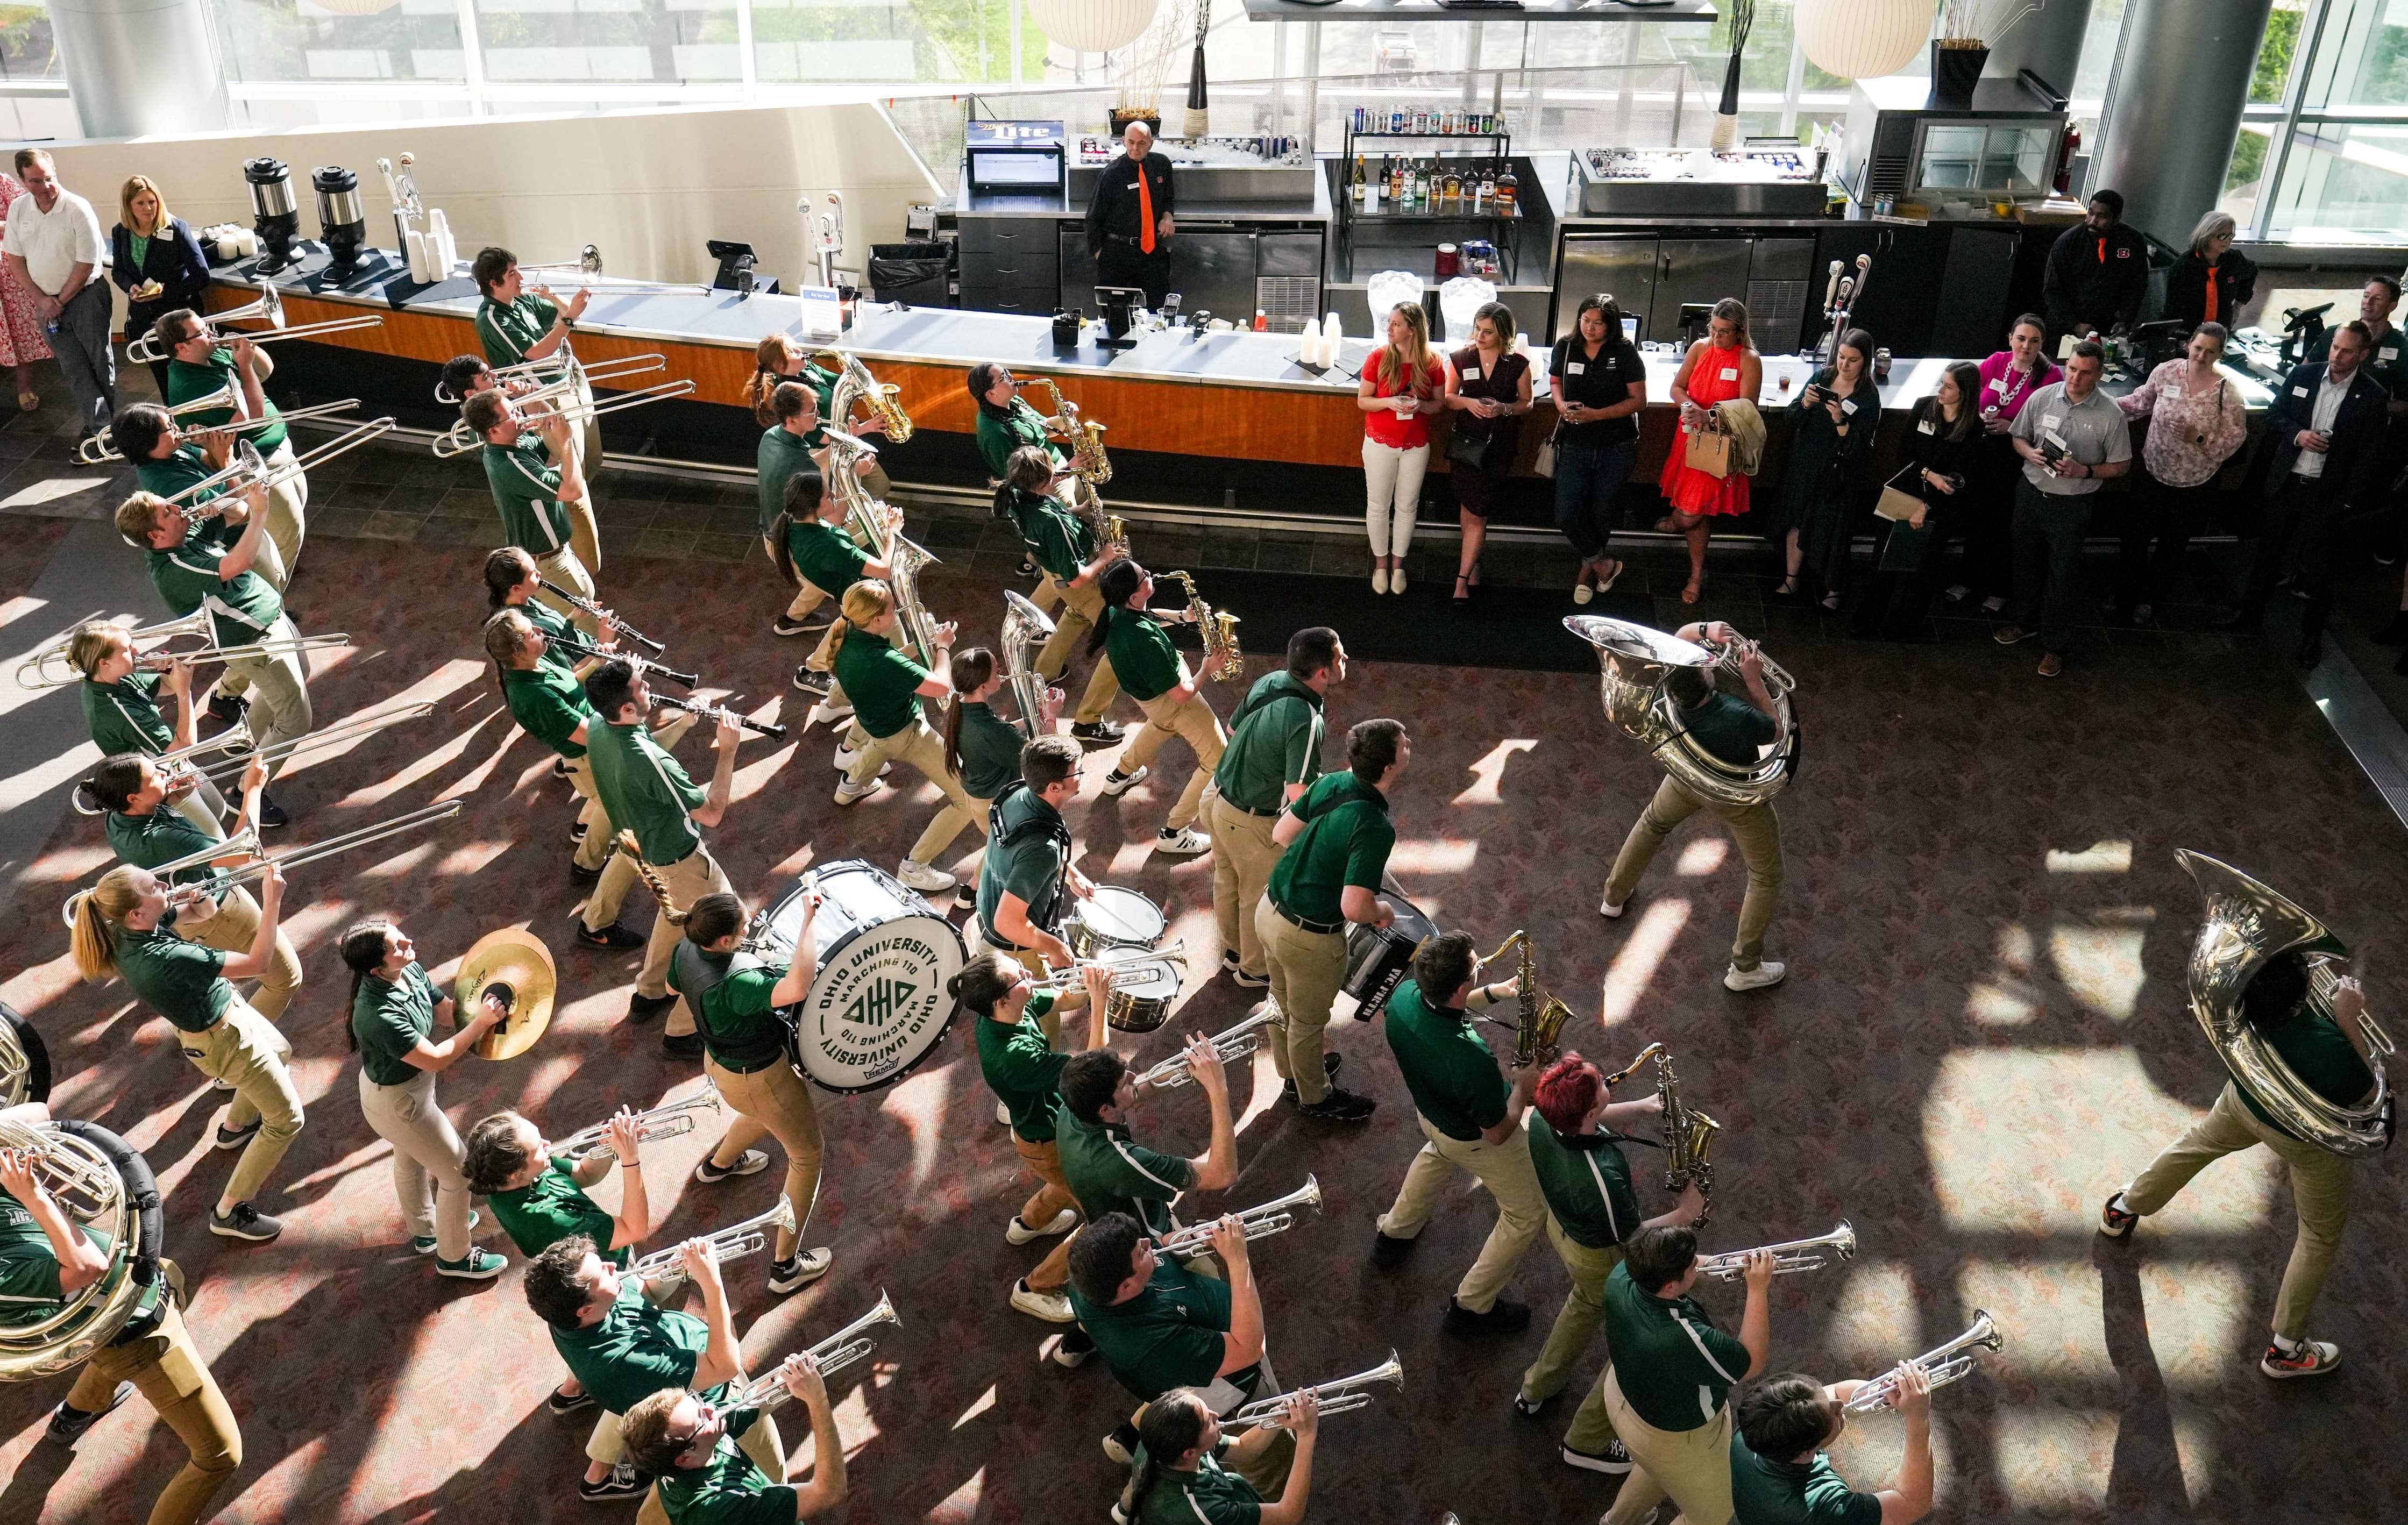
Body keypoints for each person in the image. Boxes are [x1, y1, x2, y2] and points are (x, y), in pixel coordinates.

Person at [2101, 955, 2377, 1377]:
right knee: (2318, 1236)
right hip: (2305, 1140)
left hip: (2245, 1102)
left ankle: (2121, 1208)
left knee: (2198, 1144)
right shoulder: (2329, 1046)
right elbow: (2368, 1092)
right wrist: (2347, 1020)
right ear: (2298, 993)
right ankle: (2286, 1350)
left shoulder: (2233, 1014)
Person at [7, 1100, 244, 1525]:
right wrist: (34, 1196)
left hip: (124, 1296)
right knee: (220, 1456)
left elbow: (38, 1112)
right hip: (136, 1334)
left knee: (167, 1283)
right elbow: (85, 1268)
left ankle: (74, 1414)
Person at [68, 863, 301, 1243]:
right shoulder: (166, 957)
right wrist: (271, 902)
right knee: (288, 1121)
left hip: (226, 1015)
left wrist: (202, 902)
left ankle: (236, 1128)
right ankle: (229, 1212)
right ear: (137, 912)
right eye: (153, 886)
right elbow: (258, 964)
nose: (164, 883)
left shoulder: (129, 930)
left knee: (282, 1051)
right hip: (226, 1041)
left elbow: (199, 913)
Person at [1516, 1052, 1705, 1465]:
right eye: (1601, 1084)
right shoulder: (1600, 1177)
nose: (1608, 1082)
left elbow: (1588, 1124)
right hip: (1601, 1257)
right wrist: (1683, 1214)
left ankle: (1536, 1389)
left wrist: (1641, 1107)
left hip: (1563, 1230)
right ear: (1588, 1111)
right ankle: (1587, 1442)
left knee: (1582, 1306)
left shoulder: (1542, 1120)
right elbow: (1632, 1236)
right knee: (1635, 1341)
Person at [460, 1106, 657, 1500]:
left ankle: (573, 1391)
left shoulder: (525, 1173)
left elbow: (585, 1174)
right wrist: (631, 1159)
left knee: (587, 1354)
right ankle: (599, 1474)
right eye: (538, 1147)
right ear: (515, 1174)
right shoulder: (544, 1218)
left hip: (591, 1282)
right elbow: (634, 1228)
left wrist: (606, 1146)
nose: (548, 1145)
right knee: (635, 1383)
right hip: (600, 1289)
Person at [527, 1235, 792, 1515]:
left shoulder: (574, 1314)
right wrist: (712, 1282)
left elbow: (646, 1294)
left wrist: (674, 1269)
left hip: (676, 1387)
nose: (612, 1267)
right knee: (772, 1482)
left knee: (669, 1494)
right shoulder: (627, 1362)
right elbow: (726, 1366)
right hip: (711, 1407)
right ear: (586, 1309)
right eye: (601, 1272)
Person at [1366, 931, 1543, 1333]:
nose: (1481, 968)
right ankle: (1472, 1308)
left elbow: (1447, 1007)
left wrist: (1493, 992)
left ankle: (1394, 1233)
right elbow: (1496, 1133)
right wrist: (1521, 1088)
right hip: (1476, 1140)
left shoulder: (1405, 997)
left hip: (1430, 1114)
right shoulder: (1470, 1059)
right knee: (1526, 1215)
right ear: (1461, 986)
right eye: (1477, 968)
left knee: (1436, 1153)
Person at [667, 890, 840, 1296]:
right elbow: (797, 988)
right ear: (725, 941)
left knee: (764, 1113)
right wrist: (809, 920)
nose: (751, 926)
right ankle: (785, 1267)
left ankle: (719, 1165)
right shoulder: (741, 980)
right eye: (744, 926)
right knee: (807, 1156)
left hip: (720, 1065)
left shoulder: (685, 946)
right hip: (761, 1077)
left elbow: (675, 989)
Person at [1601, 619, 1786, 991]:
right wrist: (1754, 681)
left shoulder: (1666, 690)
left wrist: (1702, 629)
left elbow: (1675, 642)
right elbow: (1778, 729)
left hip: (1686, 776)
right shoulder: (1736, 715)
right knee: (1766, 876)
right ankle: (1745, 968)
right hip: (1733, 794)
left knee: (1652, 824)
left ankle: (1613, 897)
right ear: (1706, 681)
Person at [582, 659, 745, 1053]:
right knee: (724, 930)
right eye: (641, 688)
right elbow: (711, 813)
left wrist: (685, 723)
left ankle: (651, 992)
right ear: (625, 708)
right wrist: (727, 751)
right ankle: (683, 1031)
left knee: (674, 918)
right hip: (681, 859)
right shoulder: (649, 759)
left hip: (643, 851)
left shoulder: (599, 727)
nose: (649, 691)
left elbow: (641, 746)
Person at [482, 606, 675, 938]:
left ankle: (585, 864)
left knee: (606, 808)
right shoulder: (533, 694)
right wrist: (628, 702)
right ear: (516, 652)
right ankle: (595, 923)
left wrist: (600, 658)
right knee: (629, 827)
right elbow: (592, 734)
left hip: (596, 753)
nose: (541, 633)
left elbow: (571, 679)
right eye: (532, 634)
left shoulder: (535, 663)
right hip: (592, 757)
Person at [113, 482, 315, 795]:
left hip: (270, 623)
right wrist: (261, 514)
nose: (178, 509)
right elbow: (238, 563)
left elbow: (238, 513)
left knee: (298, 677)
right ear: (156, 535)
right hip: (253, 641)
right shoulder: (174, 567)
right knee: (296, 721)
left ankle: (245, 740)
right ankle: (243, 793)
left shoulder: (182, 537)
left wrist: (219, 506)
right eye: (168, 512)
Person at [2213, 319, 2392, 668]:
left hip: (2326, 494)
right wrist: (2297, 435)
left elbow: (2368, 455)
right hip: (2288, 483)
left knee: (2321, 571)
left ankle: (2311, 637)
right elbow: (2276, 414)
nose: (2337, 355)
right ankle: (2249, 613)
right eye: (2335, 347)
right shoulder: (2304, 375)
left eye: (2347, 351)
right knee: (2267, 554)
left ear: (2363, 355)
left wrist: (2344, 500)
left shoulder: (2372, 396)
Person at [339, 918, 510, 1279]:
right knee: (460, 1174)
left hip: (404, 1093)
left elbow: (446, 1014)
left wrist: (482, 1009)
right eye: (396, 946)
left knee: (412, 1159)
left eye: (400, 934)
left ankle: (427, 1230)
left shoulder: (409, 968)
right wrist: (480, 1024)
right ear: (376, 969)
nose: (407, 942)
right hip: (401, 1104)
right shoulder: (377, 1015)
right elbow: (436, 1058)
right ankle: (455, 1258)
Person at [1258, 717, 1407, 1123]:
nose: (1408, 743)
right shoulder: (1375, 827)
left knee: (1280, 998)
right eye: (1402, 743)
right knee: (1308, 1022)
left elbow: (1282, 834)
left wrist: (1325, 861)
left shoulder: (1329, 783)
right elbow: (1355, 908)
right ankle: (1314, 1097)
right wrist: (1383, 912)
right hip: (1307, 937)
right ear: (1389, 766)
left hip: (1269, 908)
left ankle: (1291, 1072)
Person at [954, 951, 1114, 1323]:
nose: (1029, 973)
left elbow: (1062, 998)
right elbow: (1098, 1063)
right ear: (1001, 1000)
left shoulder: (1011, 1006)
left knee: (1064, 1181)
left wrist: (1089, 983)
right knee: (1104, 1216)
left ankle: (1028, 1224)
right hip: (1048, 1140)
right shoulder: (1013, 1055)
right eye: (1019, 976)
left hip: (1048, 1133)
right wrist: (1102, 1000)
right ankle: (1035, 1288)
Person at [1067, 1213, 1284, 1483]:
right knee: (1271, 1459)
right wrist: (1238, 1260)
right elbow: (1248, 1350)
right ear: (1126, 1286)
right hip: (1237, 1384)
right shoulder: (1150, 1344)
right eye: (1141, 1251)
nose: (1149, 1243)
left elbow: (1162, 1245)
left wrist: (1194, 1238)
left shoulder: (1086, 1281)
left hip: (1197, 1339)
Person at [88, 752, 302, 1022]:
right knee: (286, 979)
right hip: (220, 914)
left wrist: (173, 792)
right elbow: (240, 852)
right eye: (154, 775)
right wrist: (254, 790)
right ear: (133, 798)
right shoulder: (159, 839)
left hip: (207, 899)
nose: (164, 773)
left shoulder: (118, 816)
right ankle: (246, 1039)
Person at [1589, 1227, 1778, 1525]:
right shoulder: (1680, 1338)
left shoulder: (1624, 1272)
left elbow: (1693, 1268)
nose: (1698, 1264)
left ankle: (1617, 1521)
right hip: (1679, 1437)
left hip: (1624, 1400)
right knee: (1716, 1515)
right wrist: (1757, 1289)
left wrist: (1728, 1265)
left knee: (1656, 1471)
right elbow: (1752, 1363)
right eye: (1692, 1265)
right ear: (1669, 1287)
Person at [821, 580, 987, 892]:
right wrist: (942, 647)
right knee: (965, 798)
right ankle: (914, 867)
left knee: (879, 746)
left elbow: (893, 665)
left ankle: (850, 786)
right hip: (907, 733)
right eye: (891, 610)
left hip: (876, 723)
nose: (896, 613)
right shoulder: (881, 659)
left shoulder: (849, 637)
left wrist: (924, 642)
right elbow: (939, 686)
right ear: (877, 620)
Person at [1205, 626, 1342, 988]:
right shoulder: (1306, 718)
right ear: (1322, 673)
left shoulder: (1271, 680)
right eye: (1340, 656)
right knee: (1256, 896)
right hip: (1249, 820)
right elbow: (1299, 791)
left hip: (1215, 797)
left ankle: (1232, 951)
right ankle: (1252, 971)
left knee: (1226, 879)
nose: (1346, 660)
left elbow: (1233, 730)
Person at [1994, 340, 2133, 676]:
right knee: (2024, 563)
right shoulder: (2042, 398)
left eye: (2085, 374)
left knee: (2063, 575)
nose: (2075, 378)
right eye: (2072, 369)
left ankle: (2055, 646)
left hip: (2071, 505)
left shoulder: (2111, 416)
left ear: (2099, 375)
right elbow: (2018, 437)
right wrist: (2028, 453)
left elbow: (2122, 465)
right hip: (2031, 495)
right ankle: (2022, 622)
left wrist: (2084, 470)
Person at [472, 244, 604, 572]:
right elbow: (536, 353)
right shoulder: (491, 318)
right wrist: (571, 316)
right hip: (547, 394)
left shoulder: (522, 301)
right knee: (570, 473)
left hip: (569, 382)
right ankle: (578, 551)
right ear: (493, 284)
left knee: (589, 459)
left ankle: (578, 526)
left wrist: (560, 302)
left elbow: (558, 318)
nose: (520, 278)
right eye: (511, 274)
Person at [2111, 322, 2248, 624]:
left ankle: (2150, 599)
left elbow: (2236, 436)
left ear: (2220, 354)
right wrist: (2103, 406)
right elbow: (2141, 403)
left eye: (2210, 352)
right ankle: (2125, 595)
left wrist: (2198, 437)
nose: (2201, 356)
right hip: (2152, 470)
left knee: (2171, 546)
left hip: (2194, 483)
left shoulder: (2226, 389)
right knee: (2135, 538)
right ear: (2189, 345)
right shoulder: (2167, 371)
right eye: (2198, 348)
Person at [1092, 559, 1227, 856]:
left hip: (1152, 702)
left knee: (1160, 725)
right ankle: (1174, 833)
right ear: (1134, 595)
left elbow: (1149, 616)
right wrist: (1208, 668)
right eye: (1144, 577)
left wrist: (1183, 616)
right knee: (1218, 761)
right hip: (1177, 703)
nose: (1150, 575)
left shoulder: (1117, 611)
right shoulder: (1147, 640)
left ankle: (1120, 775)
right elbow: (1182, 695)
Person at [158, 312, 307, 580]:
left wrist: (250, 349)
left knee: (297, 516)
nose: (212, 334)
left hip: (276, 447)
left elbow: (267, 372)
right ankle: (279, 593)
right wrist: (245, 367)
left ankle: (286, 574)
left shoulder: (210, 354)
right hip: (257, 462)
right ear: (182, 347)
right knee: (287, 535)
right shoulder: (189, 383)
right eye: (203, 332)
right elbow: (254, 416)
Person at [996, 445, 1127, 743]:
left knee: (1075, 615)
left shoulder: (1018, 496)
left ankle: (1042, 675)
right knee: (1120, 639)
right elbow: (1077, 579)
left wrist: (1079, 512)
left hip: (1057, 578)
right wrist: (1105, 558)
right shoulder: (1050, 522)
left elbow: (1053, 512)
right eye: (1053, 469)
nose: (1059, 471)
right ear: (1043, 482)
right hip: (1081, 584)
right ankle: (1088, 723)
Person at [621, 1353, 849, 1523]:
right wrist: (817, 1400)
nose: (712, 1409)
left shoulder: (696, 1441)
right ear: (685, 1458)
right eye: (702, 1418)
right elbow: (829, 1492)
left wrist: (783, 1378)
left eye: (698, 1402)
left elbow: (751, 1403)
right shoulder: (719, 1509)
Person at [1056, 1037, 1238, 1251]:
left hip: (1102, 1207)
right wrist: (1218, 1089)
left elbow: (1145, 1085)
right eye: (1124, 1083)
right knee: (1208, 1279)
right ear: (1104, 1109)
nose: (1134, 1076)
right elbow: (1223, 1174)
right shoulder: (1122, 1162)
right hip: (1147, 1239)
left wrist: (1192, 1068)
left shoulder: (1072, 1107)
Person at [1851, 361, 1986, 642]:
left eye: (1949, 387)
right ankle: (1867, 623)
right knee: (1883, 563)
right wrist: (1929, 475)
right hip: (1905, 494)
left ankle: (1901, 628)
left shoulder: (1973, 427)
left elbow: (1960, 477)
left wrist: (1926, 507)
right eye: (1942, 383)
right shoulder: (1924, 406)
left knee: (1921, 573)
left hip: (1939, 508)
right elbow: (1904, 454)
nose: (1942, 390)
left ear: (1965, 393)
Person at [66, 620, 230, 834]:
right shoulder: (116, 710)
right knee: (215, 842)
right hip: (164, 788)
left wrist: (170, 669)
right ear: (104, 662)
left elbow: (167, 685)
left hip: (174, 769)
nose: (137, 651)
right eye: (127, 649)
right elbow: (186, 746)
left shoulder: (116, 678)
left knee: (220, 813)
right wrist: (185, 693)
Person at [772, 463, 909, 717]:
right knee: (900, 652)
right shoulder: (828, 544)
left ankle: (825, 689)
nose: (833, 496)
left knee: (847, 627)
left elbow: (835, 522)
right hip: (861, 595)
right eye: (828, 495)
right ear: (813, 506)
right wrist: (892, 532)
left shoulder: (799, 523)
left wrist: (854, 478)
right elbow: (884, 570)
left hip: (846, 591)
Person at [1729, 1364, 1935, 1525]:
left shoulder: (1752, 1428)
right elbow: (1912, 1503)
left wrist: (1878, 1392)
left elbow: (1836, 1391)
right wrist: (1918, 1418)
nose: (1839, 1405)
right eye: (1834, 1414)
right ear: (1806, 1453)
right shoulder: (1825, 1509)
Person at [1, 149, 111, 448]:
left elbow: (86, 262)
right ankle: (99, 427)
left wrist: (58, 301)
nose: (46, 187)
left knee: (99, 363)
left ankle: (109, 430)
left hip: (86, 297)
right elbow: (15, 259)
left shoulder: (78, 208)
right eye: (36, 181)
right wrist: (42, 300)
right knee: (74, 368)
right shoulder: (19, 209)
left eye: (50, 178)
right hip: (45, 304)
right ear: (23, 181)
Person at [116, 406, 289, 595]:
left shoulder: (173, 450)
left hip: (246, 532)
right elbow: (243, 512)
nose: (176, 427)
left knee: (279, 578)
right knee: (272, 596)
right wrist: (227, 463)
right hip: (238, 542)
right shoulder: (170, 483)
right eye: (169, 426)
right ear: (148, 442)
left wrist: (211, 445)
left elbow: (210, 460)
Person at [467, 387, 598, 638]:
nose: (520, 413)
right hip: (548, 563)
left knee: (584, 612)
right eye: (512, 414)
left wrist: (538, 401)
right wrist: (567, 439)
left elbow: (552, 448)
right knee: (590, 633)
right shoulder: (510, 465)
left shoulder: (513, 446)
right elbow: (572, 490)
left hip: (554, 555)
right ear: (493, 431)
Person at [1657, 298, 1763, 604]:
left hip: (1721, 446)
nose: (1716, 337)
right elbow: (1677, 388)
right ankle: (1697, 573)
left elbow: (1747, 409)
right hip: (1690, 438)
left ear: (1740, 332)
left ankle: (1673, 523)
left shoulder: (1749, 360)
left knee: (1691, 512)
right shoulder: (1699, 349)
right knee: (1698, 511)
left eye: (1724, 332)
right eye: (1713, 329)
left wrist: (1709, 416)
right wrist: (1690, 407)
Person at [1958, 314, 2061, 611]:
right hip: (1983, 451)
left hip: (2016, 457)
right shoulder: (1997, 361)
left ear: (2042, 344)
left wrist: (2011, 425)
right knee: (1976, 516)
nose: (2026, 346)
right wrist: (1978, 416)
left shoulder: (2050, 376)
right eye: (2021, 339)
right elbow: (1971, 391)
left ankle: (2000, 587)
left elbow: (2050, 422)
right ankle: (1968, 579)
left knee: (2004, 522)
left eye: (2034, 341)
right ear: (2010, 338)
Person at [1771, 328, 1878, 610]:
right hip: (1806, 464)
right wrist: (1805, 403)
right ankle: (1791, 578)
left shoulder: (1868, 396)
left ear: (1865, 362)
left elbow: (1859, 447)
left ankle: (1833, 588)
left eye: (1853, 360)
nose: (1844, 364)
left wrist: (1841, 420)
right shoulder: (1822, 377)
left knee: (1833, 528)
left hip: (1837, 472)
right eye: (1841, 357)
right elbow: (1791, 418)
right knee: (1797, 519)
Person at [1550, 294, 1646, 604]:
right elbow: (1555, 382)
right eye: (1585, 321)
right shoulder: (1566, 346)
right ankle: (1602, 562)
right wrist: (1561, 404)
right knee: (1566, 513)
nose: (1590, 329)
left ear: (1611, 326)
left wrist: (1596, 415)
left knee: (1602, 511)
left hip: (1616, 445)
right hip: (1576, 442)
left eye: (1598, 324)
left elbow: (1638, 401)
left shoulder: (1624, 351)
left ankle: (1586, 573)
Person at [943, 646, 1059, 902]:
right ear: (983, 685)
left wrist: (1032, 719)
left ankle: (971, 889)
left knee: (996, 843)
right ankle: (992, 897)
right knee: (1011, 850)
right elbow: (1042, 757)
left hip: (979, 797)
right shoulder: (988, 730)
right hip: (993, 804)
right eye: (997, 672)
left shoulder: (964, 708)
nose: (1002, 675)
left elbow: (1002, 731)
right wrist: (1051, 718)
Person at [974, 733, 1096, 975]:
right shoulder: (1044, 848)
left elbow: (1023, 854)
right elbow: (1007, 922)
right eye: (1078, 771)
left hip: (984, 925)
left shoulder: (1018, 793)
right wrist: (1055, 947)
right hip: (1012, 951)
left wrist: (1070, 874)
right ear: (1054, 787)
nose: (1082, 775)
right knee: (1049, 1008)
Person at [1443, 300, 1533, 605]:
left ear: (1503, 334)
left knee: (1479, 511)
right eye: (1478, 330)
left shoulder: (1517, 364)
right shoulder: (1461, 358)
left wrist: (1503, 408)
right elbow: (1449, 397)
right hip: (1467, 444)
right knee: (1468, 507)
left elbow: (1527, 404)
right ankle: (1473, 563)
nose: (1480, 337)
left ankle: (1461, 581)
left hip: (1498, 446)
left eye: (1488, 332)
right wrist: (1469, 403)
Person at [1125, 1387, 1320, 1525]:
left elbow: (1245, 1450)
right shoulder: (1204, 1509)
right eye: (1208, 1421)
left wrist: (1275, 1418)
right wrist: (1306, 1435)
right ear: (1190, 1453)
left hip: (1224, 1493)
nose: (1216, 1415)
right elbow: (1288, 1515)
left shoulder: (1163, 1442)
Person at [1356, 303, 1446, 594]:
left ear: (1413, 329)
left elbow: (1439, 405)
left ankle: (1399, 565)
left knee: (1408, 507)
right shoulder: (1378, 358)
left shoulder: (1432, 362)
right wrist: (1389, 402)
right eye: (1390, 323)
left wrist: (1421, 405)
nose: (1389, 328)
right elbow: (1363, 401)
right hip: (1380, 441)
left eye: (1396, 324)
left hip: (1416, 444)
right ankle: (1381, 564)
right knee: (1379, 505)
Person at [749, 331, 893, 494]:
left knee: (880, 485)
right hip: (824, 453)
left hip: (845, 435)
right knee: (852, 495)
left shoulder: (808, 368)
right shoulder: (791, 395)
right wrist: (865, 427)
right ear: (779, 366)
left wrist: (860, 379)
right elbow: (823, 437)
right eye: (791, 352)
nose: (799, 352)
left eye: (796, 347)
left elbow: (840, 383)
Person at [110, 176, 210, 398]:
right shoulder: (121, 232)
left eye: (152, 202)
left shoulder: (176, 229)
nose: (148, 208)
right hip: (144, 318)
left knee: (187, 374)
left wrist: (165, 293)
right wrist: (131, 287)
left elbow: (202, 275)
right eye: (140, 203)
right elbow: (118, 271)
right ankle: (174, 416)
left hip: (176, 317)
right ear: (128, 206)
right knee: (161, 375)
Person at [758, 381, 839, 638]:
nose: (819, 415)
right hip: (787, 546)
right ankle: (791, 620)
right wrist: (855, 476)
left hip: (771, 534)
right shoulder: (801, 466)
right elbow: (834, 517)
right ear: (792, 420)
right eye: (813, 411)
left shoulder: (771, 436)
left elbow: (805, 464)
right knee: (827, 578)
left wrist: (835, 447)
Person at [1084, 120, 1176, 307]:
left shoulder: (1162, 165)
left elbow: (1168, 197)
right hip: (1118, 254)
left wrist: (1167, 216)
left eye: (1142, 143)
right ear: (1124, 142)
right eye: (1131, 142)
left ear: (1151, 143)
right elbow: (1093, 218)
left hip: (1152, 253)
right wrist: (1100, 255)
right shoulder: (1112, 174)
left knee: (1158, 310)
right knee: (1118, 317)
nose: (1136, 148)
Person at [2042, 189, 2148, 343]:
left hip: (2106, 327)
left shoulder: (2133, 242)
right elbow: (2052, 291)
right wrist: (2075, 325)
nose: (2093, 221)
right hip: (2066, 327)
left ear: (2116, 218)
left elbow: (2136, 287)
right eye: (2091, 213)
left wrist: (2125, 320)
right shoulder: (2068, 243)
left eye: (2102, 216)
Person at [0, 163, 54, 412]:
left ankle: (24, 388)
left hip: (10, 274)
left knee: (21, 336)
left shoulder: (3, 182)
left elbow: (27, 217)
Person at [968, 362, 1075, 483]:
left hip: (1063, 468)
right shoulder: (995, 432)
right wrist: (1068, 470)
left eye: (1007, 372)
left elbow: (1046, 429)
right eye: (1004, 378)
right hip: (1051, 485)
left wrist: (1064, 417)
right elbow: (1026, 484)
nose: (1012, 378)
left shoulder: (1014, 401)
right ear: (992, 394)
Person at [2163, 210, 2258, 334]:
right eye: (2222, 236)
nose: (2227, 241)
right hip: (2189, 332)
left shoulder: (2234, 260)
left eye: (2230, 236)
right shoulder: (2184, 266)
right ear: (2207, 235)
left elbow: (2252, 272)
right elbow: (2172, 308)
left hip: (2221, 329)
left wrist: (2239, 304)